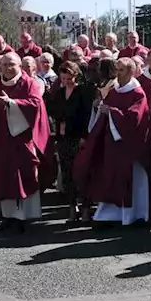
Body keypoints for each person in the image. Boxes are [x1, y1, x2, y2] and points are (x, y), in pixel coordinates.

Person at [75, 58, 151, 226]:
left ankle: (132, 214)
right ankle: (109, 214)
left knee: (129, 180)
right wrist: (98, 107)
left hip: (129, 146)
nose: (117, 73)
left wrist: (112, 112)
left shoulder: (138, 93)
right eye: (116, 69)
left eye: (122, 70)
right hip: (112, 144)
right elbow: (105, 109)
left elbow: (134, 118)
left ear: (131, 71)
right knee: (110, 177)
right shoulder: (114, 91)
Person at [0, 52, 50, 230]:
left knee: (21, 176)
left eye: (11, 64)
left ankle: (22, 217)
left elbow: (35, 105)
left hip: (21, 139)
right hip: (1, 140)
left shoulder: (28, 83)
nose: (7, 68)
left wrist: (11, 103)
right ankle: (7, 216)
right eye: (3, 65)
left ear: (19, 65)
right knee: (3, 177)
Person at [46, 60, 95, 223]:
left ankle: (86, 207)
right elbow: (53, 111)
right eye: (63, 79)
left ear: (75, 76)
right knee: (67, 174)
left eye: (69, 78)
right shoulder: (59, 94)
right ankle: (72, 206)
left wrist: (84, 136)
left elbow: (87, 115)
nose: (66, 81)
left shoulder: (83, 92)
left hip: (79, 137)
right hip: (63, 137)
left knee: (82, 173)